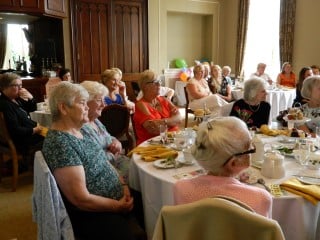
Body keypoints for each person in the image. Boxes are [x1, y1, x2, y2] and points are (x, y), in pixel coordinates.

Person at [42, 82, 146, 240]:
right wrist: (117, 207)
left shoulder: (79, 131)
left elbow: (105, 164)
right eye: (82, 103)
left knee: (152, 200)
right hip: (95, 213)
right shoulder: (60, 143)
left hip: (115, 198)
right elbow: (80, 199)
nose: (86, 108)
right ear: (63, 108)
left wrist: (123, 185)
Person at [174, 117, 272, 218]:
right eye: (250, 147)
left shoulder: (181, 188)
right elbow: (266, 233)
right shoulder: (260, 198)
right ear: (233, 163)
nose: (252, 148)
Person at [80, 80, 130, 182]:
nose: (103, 105)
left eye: (104, 100)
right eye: (99, 100)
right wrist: (112, 153)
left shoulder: (95, 121)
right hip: (105, 172)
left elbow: (108, 137)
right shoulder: (81, 127)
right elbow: (95, 159)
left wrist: (116, 141)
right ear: (85, 101)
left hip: (117, 162)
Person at [0, 73, 44, 156]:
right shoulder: (5, 105)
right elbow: (15, 130)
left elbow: (32, 109)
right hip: (22, 140)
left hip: (29, 133)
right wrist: (35, 130)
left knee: (55, 133)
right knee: (53, 138)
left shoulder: (14, 99)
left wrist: (31, 98)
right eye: (17, 85)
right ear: (5, 87)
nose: (21, 88)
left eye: (21, 85)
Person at [133, 70, 182, 145]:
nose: (159, 84)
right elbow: (154, 130)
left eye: (159, 81)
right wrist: (172, 120)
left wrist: (163, 122)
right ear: (145, 86)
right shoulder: (141, 105)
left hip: (172, 140)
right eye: (155, 82)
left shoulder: (164, 99)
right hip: (152, 144)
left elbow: (179, 118)